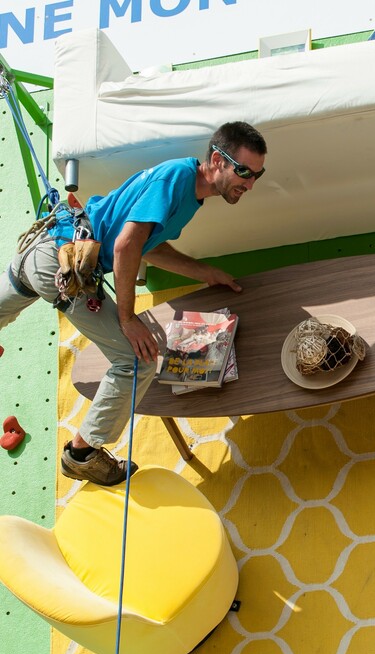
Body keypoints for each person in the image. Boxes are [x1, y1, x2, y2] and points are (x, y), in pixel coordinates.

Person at [0, 121, 267, 485]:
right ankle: (81, 455)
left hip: (43, 249)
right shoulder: (176, 179)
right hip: (63, 264)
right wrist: (127, 319)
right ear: (218, 161)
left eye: (256, 175)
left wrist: (203, 271)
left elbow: (147, 246)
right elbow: (126, 247)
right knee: (135, 361)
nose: (250, 184)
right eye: (244, 172)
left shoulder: (189, 192)